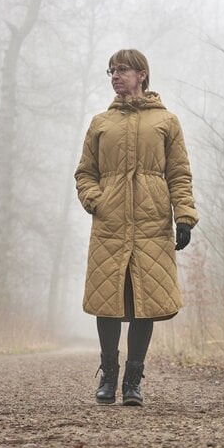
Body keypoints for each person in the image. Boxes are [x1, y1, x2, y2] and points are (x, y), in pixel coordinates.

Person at [74, 49, 198, 406]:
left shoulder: (167, 121)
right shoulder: (100, 123)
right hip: (110, 224)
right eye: (111, 70)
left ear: (142, 74)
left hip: (151, 223)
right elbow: (85, 172)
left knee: (147, 301)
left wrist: (184, 216)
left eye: (123, 69)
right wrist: (96, 200)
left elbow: (179, 173)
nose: (115, 75)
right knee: (107, 298)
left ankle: (133, 380)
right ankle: (108, 375)